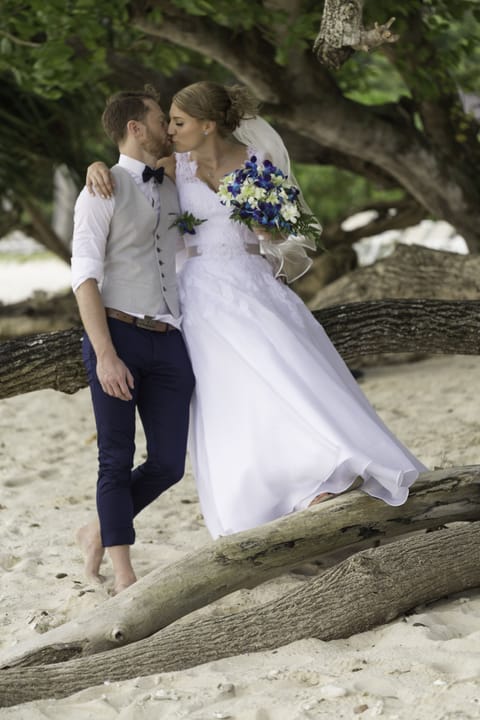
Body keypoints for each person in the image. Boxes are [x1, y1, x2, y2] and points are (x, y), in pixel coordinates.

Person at [86, 81, 427, 541]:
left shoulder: (257, 164)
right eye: (167, 120)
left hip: (253, 284)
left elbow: (296, 231)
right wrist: (93, 166)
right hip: (200, 297)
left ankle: (320, 479)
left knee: (290, 376)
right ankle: (266, 501)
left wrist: (271, 235)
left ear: (209, 125)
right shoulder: (170, 167)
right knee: (233, 399)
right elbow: (127, 175)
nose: (169, 128)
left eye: (179, 121)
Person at [72, 88, 195, 593]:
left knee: (168, 464)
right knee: (115, 457)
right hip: (117, 332)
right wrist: (104, 354)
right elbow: (84, 277)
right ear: (136, 127)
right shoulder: (99, 190)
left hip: (168, 337)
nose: (169, 126)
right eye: (161, 119)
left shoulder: (170, 182)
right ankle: (122, 571)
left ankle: (99, 526)